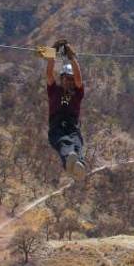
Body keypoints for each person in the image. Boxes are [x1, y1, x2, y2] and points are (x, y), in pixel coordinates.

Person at [41, 39, 86, 180]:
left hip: (72, 126)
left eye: (71, 79)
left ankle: (78, 166)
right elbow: (49, 74)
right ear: (62, 78)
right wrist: (52, 56)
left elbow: (79, 79)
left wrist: (72, 59)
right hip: (56, 127)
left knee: (77, 143)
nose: (70, 81)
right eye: (67, 78)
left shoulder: (77, 93)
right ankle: (69, 160)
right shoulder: (54, 90)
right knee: (64, 142)